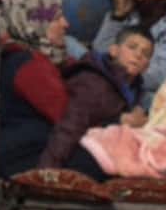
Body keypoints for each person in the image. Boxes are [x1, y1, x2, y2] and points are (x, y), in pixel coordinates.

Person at [40, 28, 152, 174]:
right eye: (132, 47)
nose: (138, 55)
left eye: (145, 54)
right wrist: (47, 172)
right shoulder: (94, 82)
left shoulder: (136, 90)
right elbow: (70, 127)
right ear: (113, 50)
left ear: (147, 66)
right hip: (73, 152)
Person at [0, 0, 72, 178]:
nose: (66, 24)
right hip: (28, 157)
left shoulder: (24, 56)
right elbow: (65, 115)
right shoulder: (32, 65)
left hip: (28, 151)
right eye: (57, 18)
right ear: (35, 25)